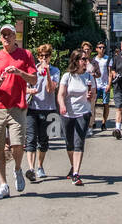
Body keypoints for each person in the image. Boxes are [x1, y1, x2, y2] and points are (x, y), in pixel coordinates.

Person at [0, 23, 37, 199]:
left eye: (10, 34)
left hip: (17, 106)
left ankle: (18, 169)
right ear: (0, 38)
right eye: (3, 35)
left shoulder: (25, 55)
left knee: (17, 144)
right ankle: (3, 184)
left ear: (15, 37)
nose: (6, 37)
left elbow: (34, 80)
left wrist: (20, 73)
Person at [58, 48, 96, 185]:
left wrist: (90, 96)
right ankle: (73, 166)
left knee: (79, 142)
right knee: (69, 143)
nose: (86, 62)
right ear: (76, 61)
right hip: (67, 113)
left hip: (83, 113)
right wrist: (62, 105)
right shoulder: (67, 76)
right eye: (83, 59)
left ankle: (76, 174)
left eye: (87, 59)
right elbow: (61, 94)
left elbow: (93, 94)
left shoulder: (89, 77)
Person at [25, 42, 60, 182]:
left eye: (46, 56)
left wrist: (47, 73)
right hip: (32, 108)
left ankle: (40, 166)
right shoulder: (32, 70)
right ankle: (31, 169)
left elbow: (50, 89)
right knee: (31, 140)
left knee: (44, 141)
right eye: (41, 56)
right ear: (37, 57)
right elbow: (24, 88)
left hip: (48, 109)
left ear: (50, 57)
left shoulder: (55, 71)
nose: (43, 58)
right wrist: (30, 90)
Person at [93, 40, 111, 131]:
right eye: (100, 47)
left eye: (103, 47)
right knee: (93, 104)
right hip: (96, 84)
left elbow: (110, 72)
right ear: (96, 49)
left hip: (105, 84)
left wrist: (109, 84)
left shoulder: (107, 59)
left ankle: (104, 122)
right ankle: (94, 121)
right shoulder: (94, 60)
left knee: (106, 103)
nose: (102, 49)